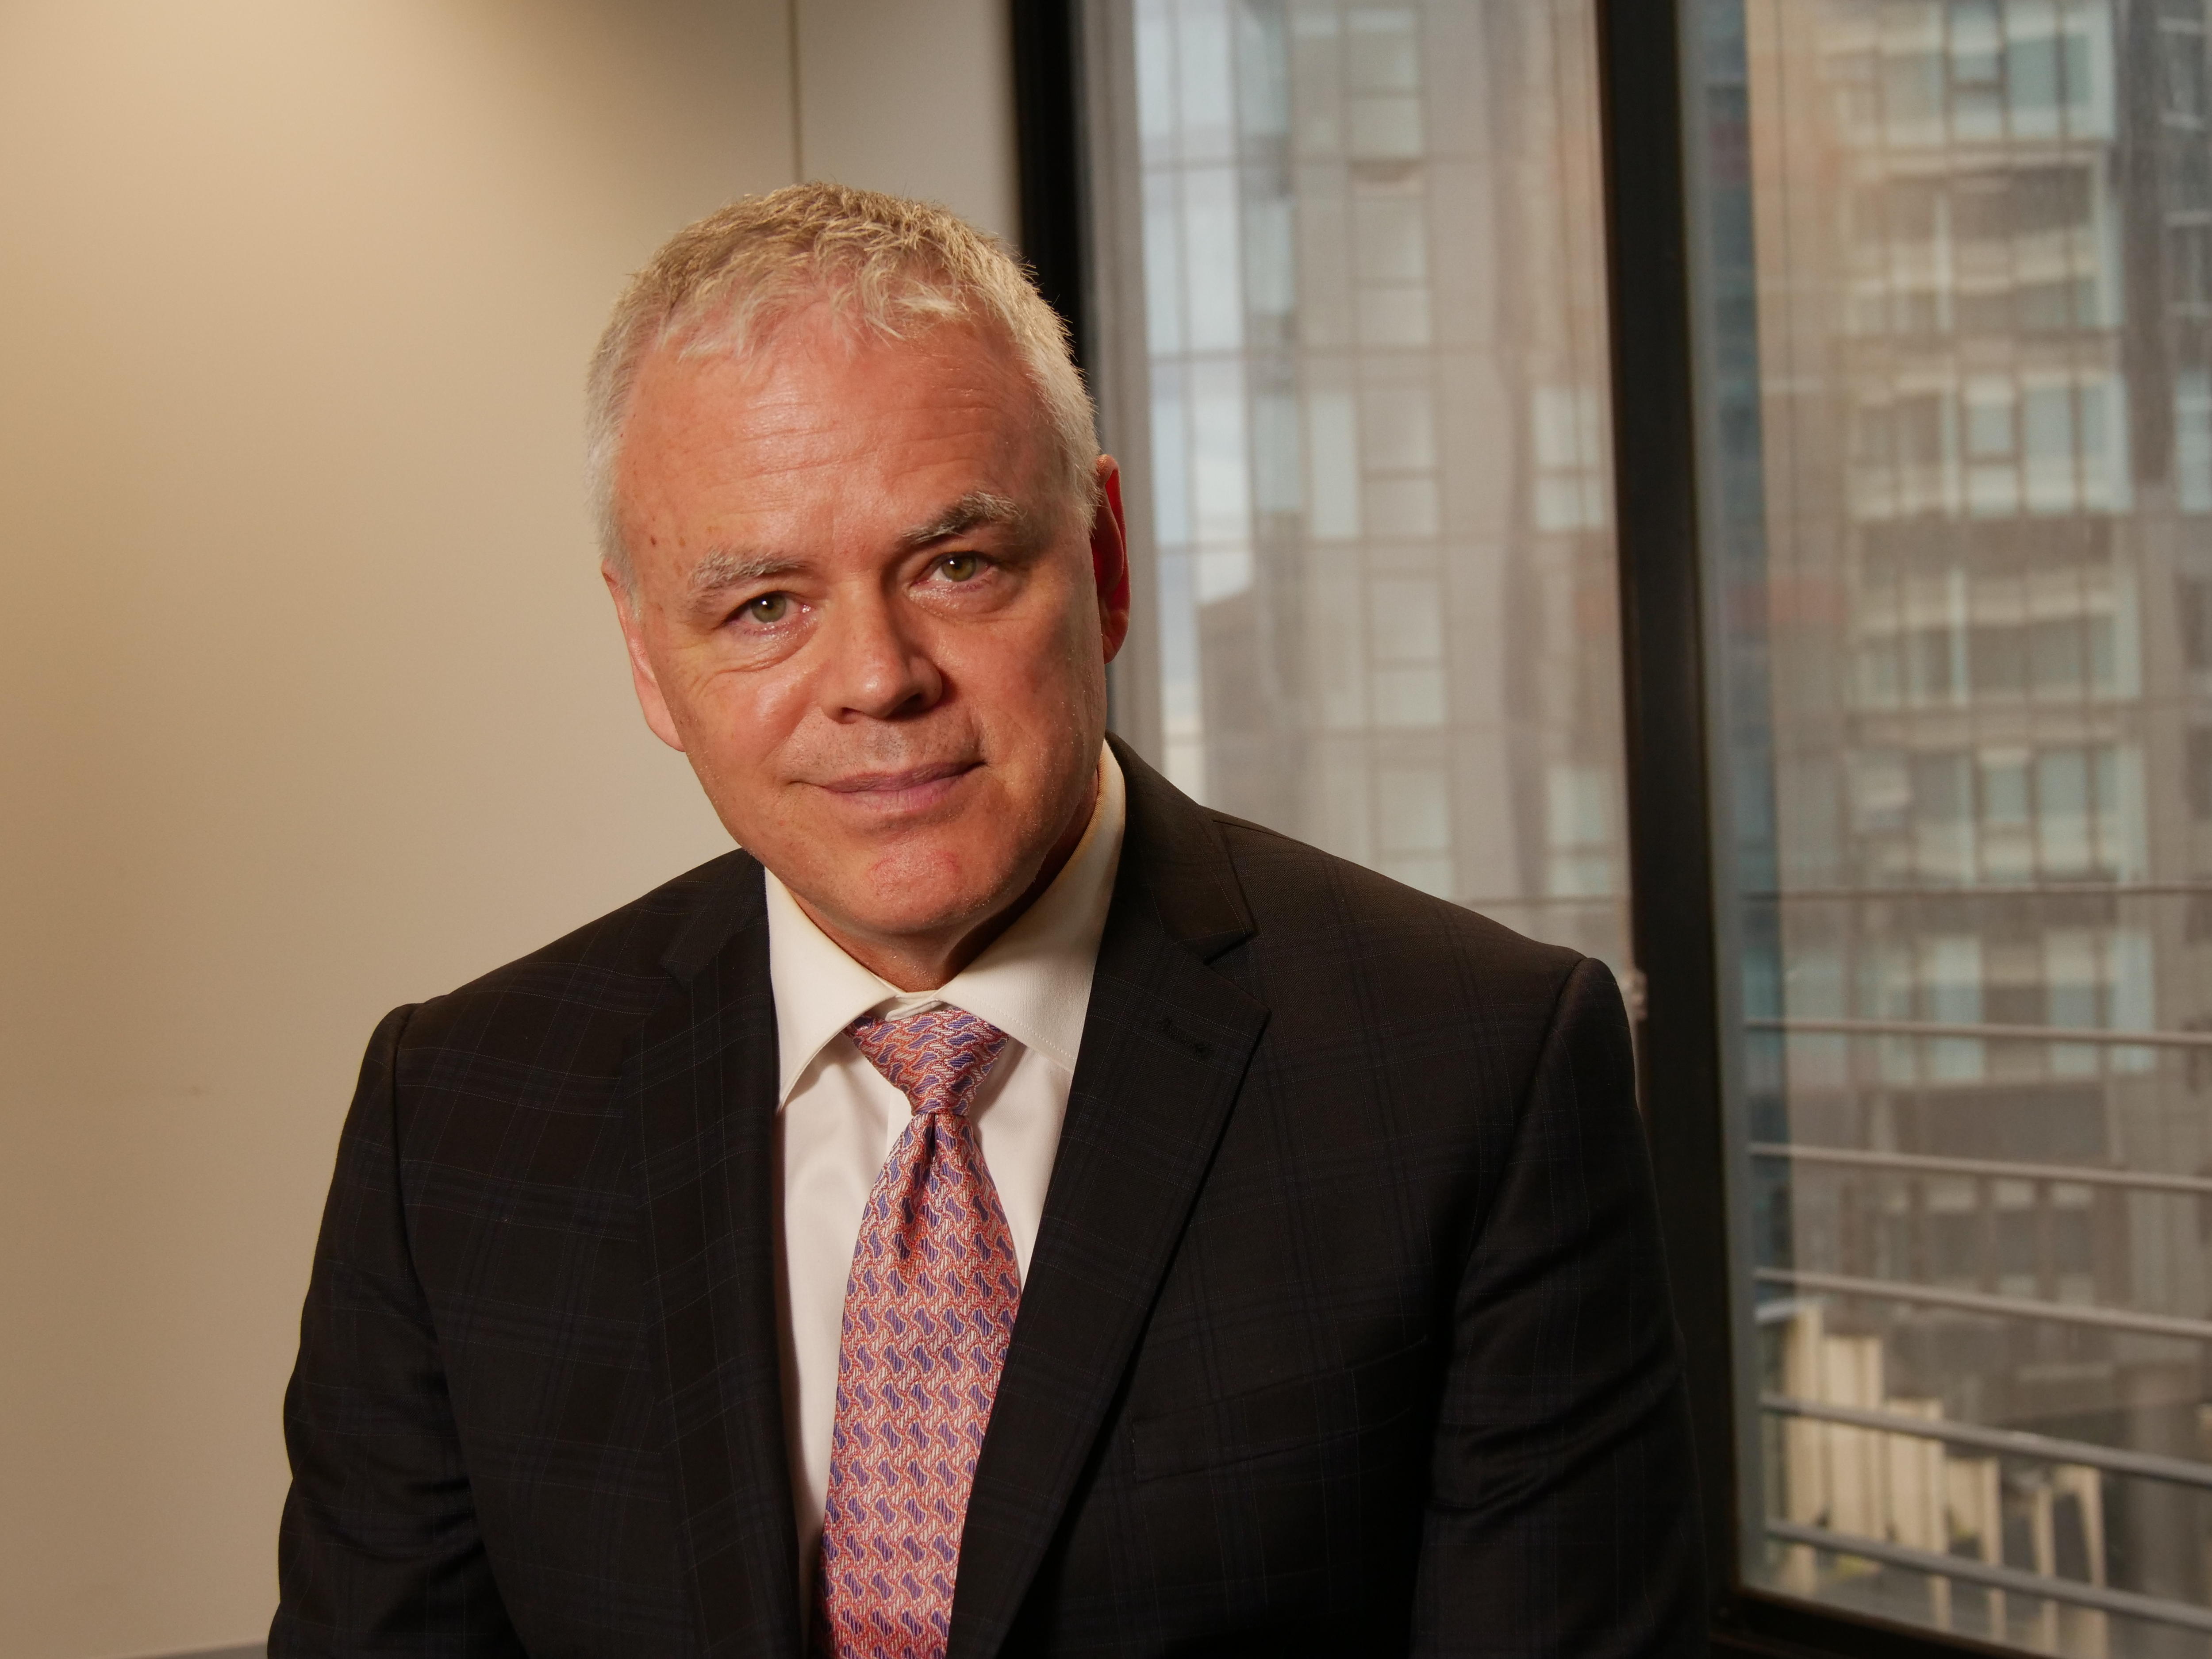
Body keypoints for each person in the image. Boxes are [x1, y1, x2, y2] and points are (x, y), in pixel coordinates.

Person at [272, 183, 1704, 1659]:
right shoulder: (456, 1117)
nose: (879, 680)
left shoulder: (1473, 1071)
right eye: (763, 605)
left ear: (1103, 564)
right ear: (649, 663)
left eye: (957, 566)